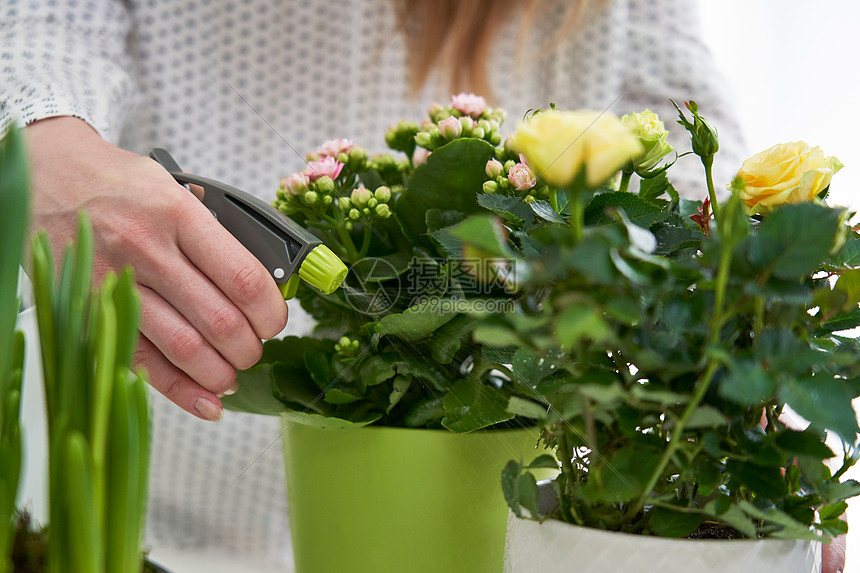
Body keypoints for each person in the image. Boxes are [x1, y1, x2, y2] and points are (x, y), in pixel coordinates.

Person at [5, 1, 843, 571]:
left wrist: (746, 383)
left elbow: (687, 135)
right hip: (173, 522)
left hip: (502, 534)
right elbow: (43, 25)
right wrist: (41, 140)